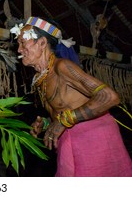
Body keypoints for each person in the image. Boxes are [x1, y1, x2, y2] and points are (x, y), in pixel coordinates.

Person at [11, 16, 132, 177]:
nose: (19, 50)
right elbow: (65, 110)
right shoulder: (41, 79)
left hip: (94, 138)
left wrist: (63, 121)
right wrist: (47, 123)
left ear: (41, 43)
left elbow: (109, 97)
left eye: (22, 43)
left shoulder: (63, 67)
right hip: (71, 140)